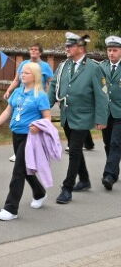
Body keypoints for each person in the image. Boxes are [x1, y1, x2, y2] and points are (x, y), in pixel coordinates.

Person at [48, 32, 108, 204]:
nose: (66, 48)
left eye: (70, 46)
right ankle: (84, 179)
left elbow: (102, 95)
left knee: (74, 150)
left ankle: (67, 188)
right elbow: (53, 87)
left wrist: (101, 118)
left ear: (81, 48)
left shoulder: (94, 68)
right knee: (76, 150)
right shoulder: (63, 66)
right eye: (66, 45)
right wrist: (43, 108)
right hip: (67, 115)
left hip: (83, 116)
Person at [0, 62, 51, 220]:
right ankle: (39, 192)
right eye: (22, 72)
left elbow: (47, 118)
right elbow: (8, 110)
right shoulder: (17, 92)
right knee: (25, 168)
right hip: (16, 135)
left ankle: (11, 209)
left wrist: (38, 126)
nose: (22, 75)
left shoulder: (40, 96)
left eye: (26, 73)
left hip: (30, 138)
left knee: (18, 171)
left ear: (35, 76)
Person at [4, 43, 53, 162]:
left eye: (36, 49)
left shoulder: (45, 66)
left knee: (33, 125)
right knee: (20, 121)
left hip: (36, 99)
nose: (33, 51)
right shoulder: (23, 64)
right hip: (22, 97)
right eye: (31, 49)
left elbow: (51, 83)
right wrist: (9, 90)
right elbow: (16, 80)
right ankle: (19, 152)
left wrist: (49, 97)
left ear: (40, 52)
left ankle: (33, 150)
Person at [100, 36, 121, 190]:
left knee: (115, 142)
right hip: (105, 112)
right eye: (109, 50)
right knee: (108, 143)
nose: (111, 53)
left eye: (115, 50)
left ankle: (109, 175)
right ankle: (114, 169)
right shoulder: (102, 67)